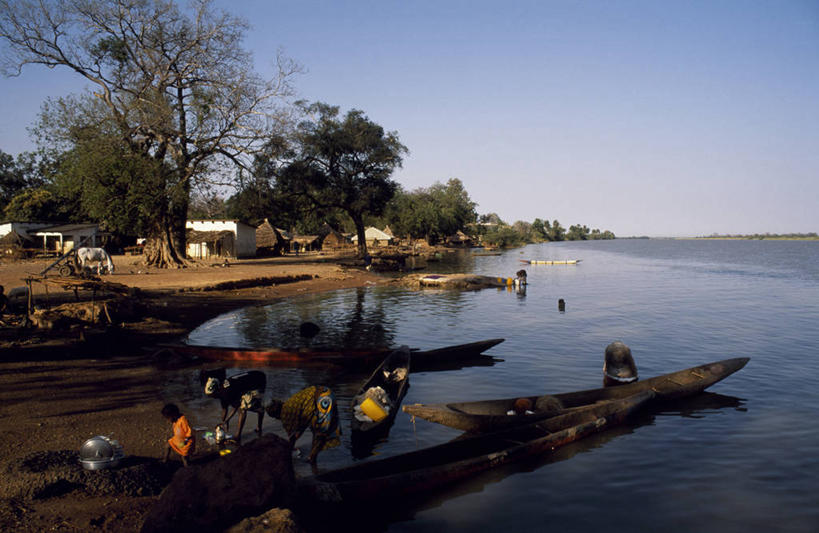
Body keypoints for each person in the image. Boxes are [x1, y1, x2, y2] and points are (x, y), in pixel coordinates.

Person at [266, 385, 341, 464]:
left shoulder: (285, 413)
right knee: (319, 428)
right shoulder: (290, 404)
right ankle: (312, 457)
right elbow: (301, 427)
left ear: (276, 415)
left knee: (320, 431)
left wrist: (288, 451)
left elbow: (293, 436)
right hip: (326, 392)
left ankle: (312, 458)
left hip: (323, 398)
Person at [201, 369, 266, 444]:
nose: (212, 398)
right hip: (250, 380)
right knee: (248, 405)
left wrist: (227, 420)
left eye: (211, 396)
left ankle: (237, 437)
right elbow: (224, 409)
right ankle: (260, 422)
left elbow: (236, 407)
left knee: (242, 409)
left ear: (215, 392)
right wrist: (222, 423)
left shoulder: (226, 392)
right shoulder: (221, 390)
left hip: (257, 381)